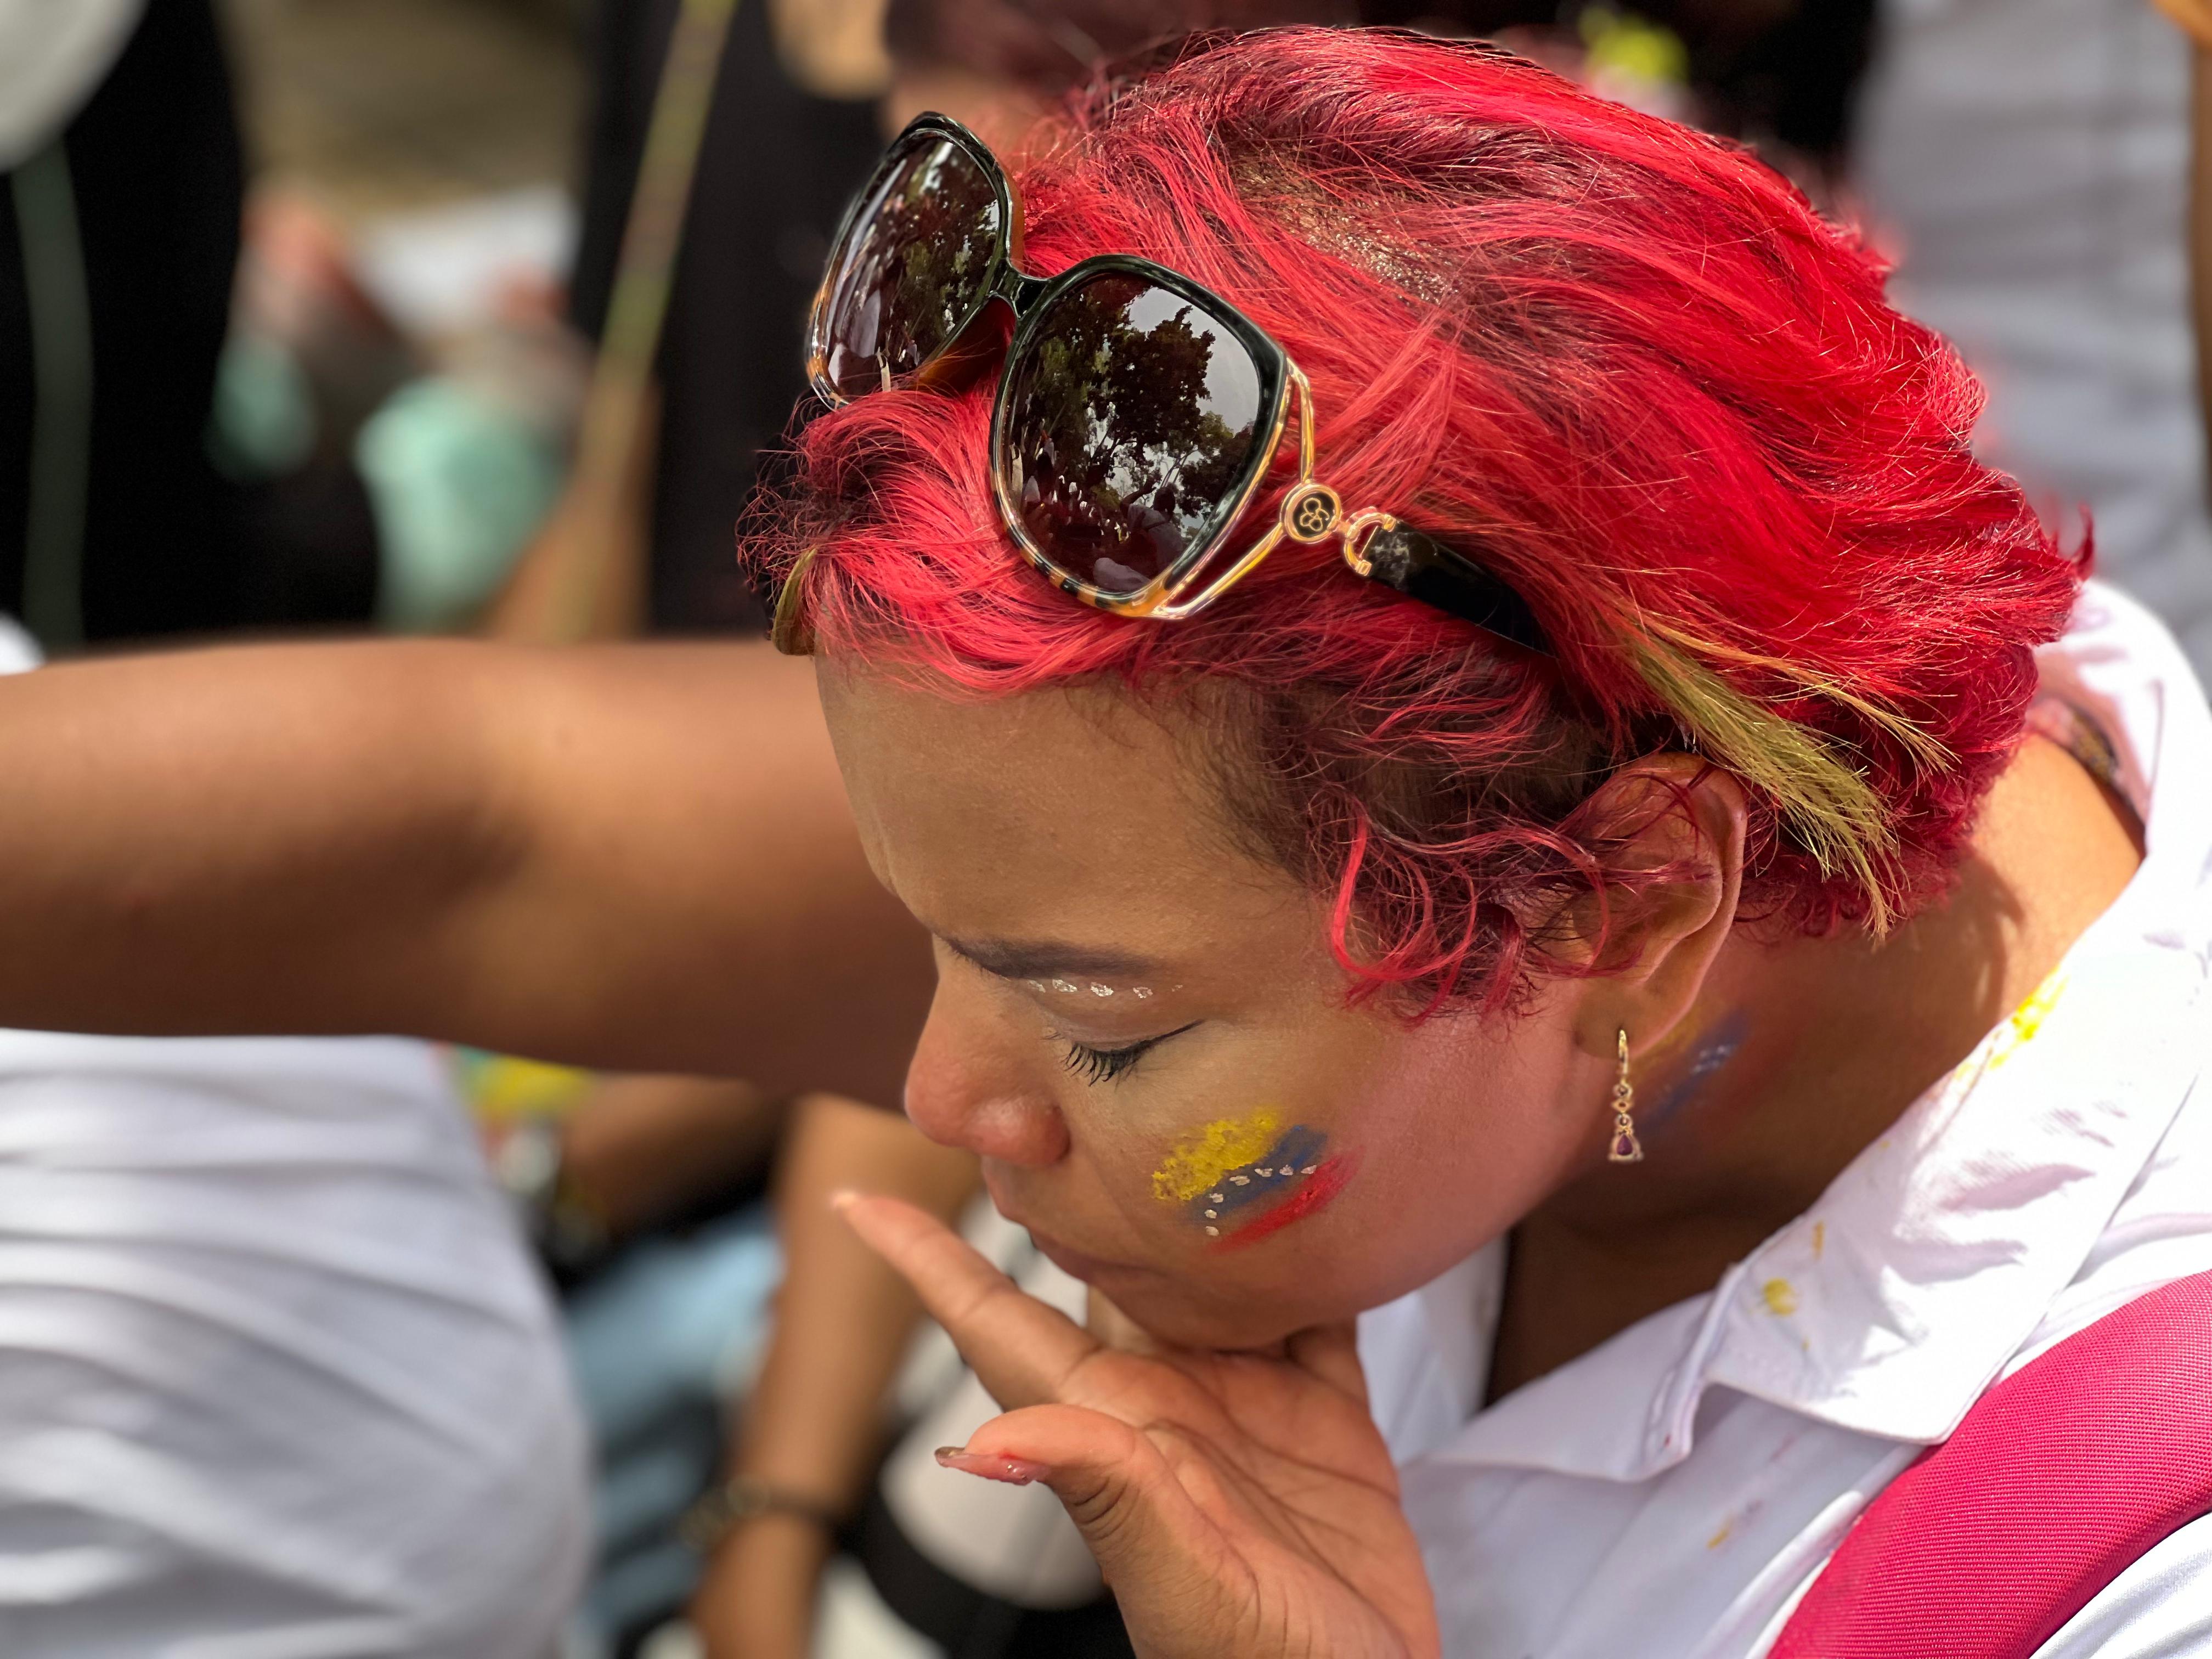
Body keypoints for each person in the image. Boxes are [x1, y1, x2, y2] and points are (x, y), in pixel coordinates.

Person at [0, 27, 2207, 1656]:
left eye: (1103, 1029)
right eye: (917, 936)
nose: (940, 1100)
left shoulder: (2133, 1543)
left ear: (1628, 908)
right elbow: (480, 839)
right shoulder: (1309, 800)